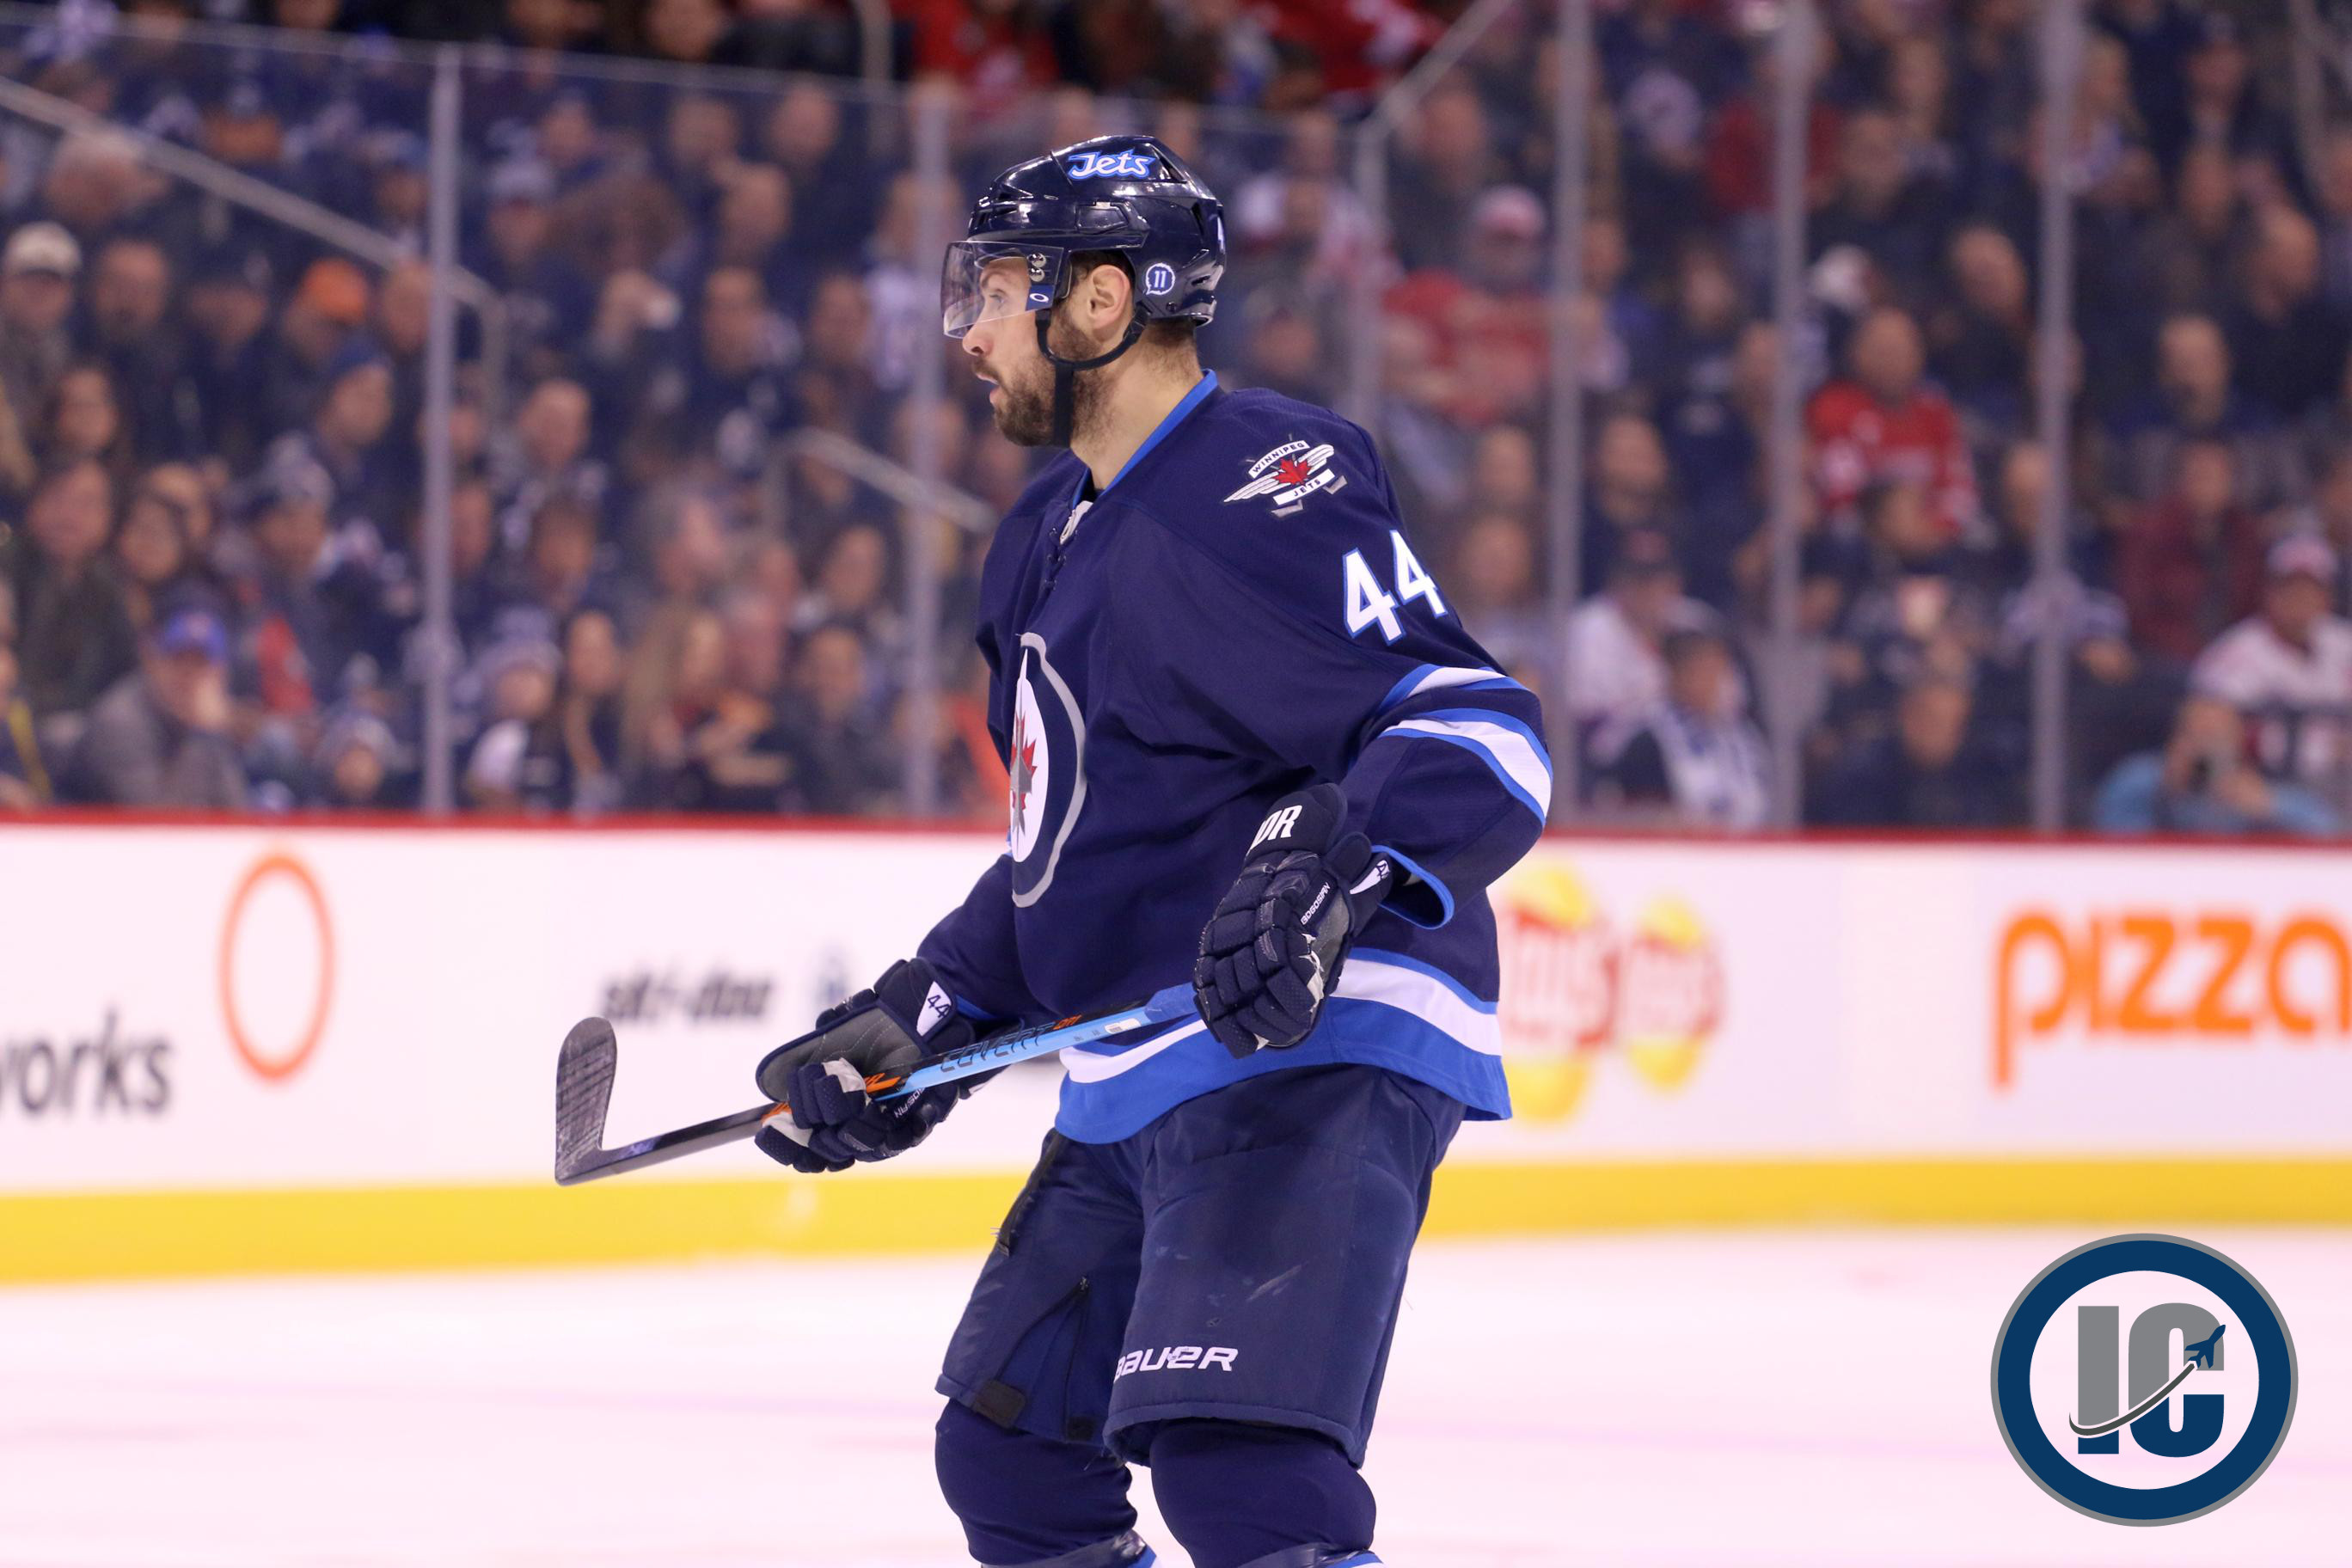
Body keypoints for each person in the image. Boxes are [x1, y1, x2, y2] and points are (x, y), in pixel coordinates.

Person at [749, 136, 1545, 1568]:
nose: (969, 331)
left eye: (996, 291)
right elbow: (1076, 840)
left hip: (1310, 1035)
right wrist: (928, 1014)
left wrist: (1333, 874)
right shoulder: (1039, 538)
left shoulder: (1265, 482)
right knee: (1011, 1458)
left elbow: (1475, 723)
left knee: (1243, 1477)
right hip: (1143, 1058)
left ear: (1101, 302)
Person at [2094, 694, 2336, 836]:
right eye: (2197, 735)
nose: (2206, 747)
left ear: (2238, 741)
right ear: (2177, 737)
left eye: (2216, 737)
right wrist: (2163, 789)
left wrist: (2270, 807)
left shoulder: (2255, 785)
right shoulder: (2146, 777)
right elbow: (2109, 831)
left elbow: (2326, 828)